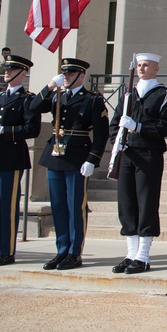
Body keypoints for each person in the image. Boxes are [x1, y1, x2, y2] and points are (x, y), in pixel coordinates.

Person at [28, 57, 109, 271]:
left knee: (75, 206)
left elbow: (101, 134)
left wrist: (93, 159)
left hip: (77, 156)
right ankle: (61, 250)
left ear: (81, 76)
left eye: (70, 74)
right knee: (58, 206)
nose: (66, 77)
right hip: (55, 154)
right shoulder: (57, 95)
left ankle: (74, 252)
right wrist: (49, 86)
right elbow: (33, 106)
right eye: (64, 74)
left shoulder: (92, 99)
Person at [108, 53, 167, 274]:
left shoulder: (164, 94)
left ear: (156, 68)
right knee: (126, 203)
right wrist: (117, 142)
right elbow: (115, 123)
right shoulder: (129, 93)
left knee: (146, 202)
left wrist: (138, 127)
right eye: (139, 65)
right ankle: (131, 253)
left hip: (149, 153)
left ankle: (143, 255)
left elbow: (165, 126)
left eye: (146, 65)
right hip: (127, 153)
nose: (141, 68)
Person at [0, 54, 40, 267]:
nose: (6, 72)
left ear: (23, 73)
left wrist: (2, 131)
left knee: (7, 207)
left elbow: (32, 129)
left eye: (11, 69)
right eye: (5, 69)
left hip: (12, 159)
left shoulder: (28, 99)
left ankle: (7, 251)